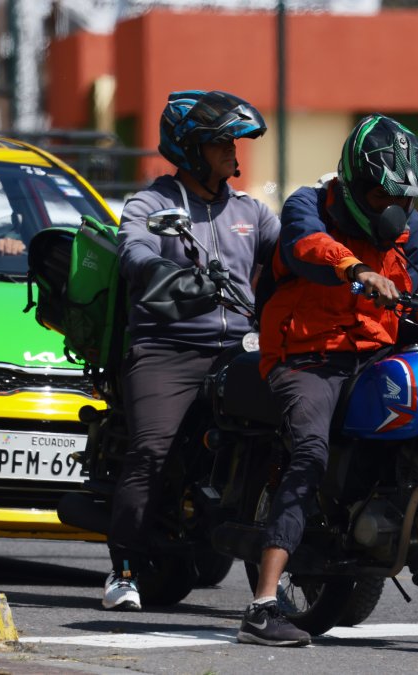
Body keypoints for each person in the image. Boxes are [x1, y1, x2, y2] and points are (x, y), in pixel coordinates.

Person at [241, 114, 418, 647]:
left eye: (406, 198)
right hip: (306, 358)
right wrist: (355, 269)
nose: (397, 209)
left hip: (373, 356)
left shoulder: (407, 228)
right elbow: (304, 244)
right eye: (382, 195)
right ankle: (261, 605)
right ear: (353, 184)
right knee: (310, 453)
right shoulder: (311, 203)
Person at [103, 90, 279, 611]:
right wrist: (161, 270)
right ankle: (124, 570)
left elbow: (291, 251)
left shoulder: (250, 210)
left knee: (287, 435)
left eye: (234, 141)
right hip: (168, 347)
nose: (233, 150)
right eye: (221, 142)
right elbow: (133, 247)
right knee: (151, 451)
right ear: (191, 148)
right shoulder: (154, 204)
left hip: (239, 348)